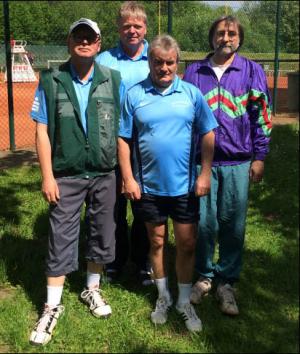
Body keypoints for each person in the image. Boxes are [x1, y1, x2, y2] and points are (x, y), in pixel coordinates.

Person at [29, 18, 121, 345]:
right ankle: (52, 306)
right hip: (65, 175)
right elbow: (41, 129)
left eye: (90, 37)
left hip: (103, 173)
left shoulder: (113, 79)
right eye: (78, 36)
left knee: (102, 230)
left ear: (98, 44)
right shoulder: (51, 80)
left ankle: (92, 289)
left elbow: (122, 129)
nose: (84, 41)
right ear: (69, 43)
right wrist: (47, 176)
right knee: (59, 235)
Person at [118, 34, 218, 332]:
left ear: (178, 63)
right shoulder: (134, 95)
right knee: (157, 242)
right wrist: (128, 177)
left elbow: (208, 133)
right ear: (150, 62)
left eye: (170, 62)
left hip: (185, 187)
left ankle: (184, 301)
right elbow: (123, 139)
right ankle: (163, 296)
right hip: (148, 187)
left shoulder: (190, 94)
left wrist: (203, 174)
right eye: (158, 62)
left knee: (186, 244)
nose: (164, 68)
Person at [184, 15, 272, 316]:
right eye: (220, 33)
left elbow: (261, 116)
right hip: (202, 162)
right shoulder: (194, 71)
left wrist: (259, 156)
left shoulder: (251, 70)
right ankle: (204, 276)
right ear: (211, 37)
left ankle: (227, 283)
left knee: (233, 224)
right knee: (204, 223)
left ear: (240, 38)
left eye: (232, 33)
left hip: (238, 160)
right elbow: (184, 116)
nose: (226, 37)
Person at [96, 1, 153, 286]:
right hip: (111, 144)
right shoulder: (104, 60)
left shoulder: (156, 58)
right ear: (118, 28)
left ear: (145, 28)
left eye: (137, 25)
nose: (132, 30)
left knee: (144, 206)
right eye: (126, 25)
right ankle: (115, 261)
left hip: (146, 146)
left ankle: (143, 263)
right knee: (113, 206)